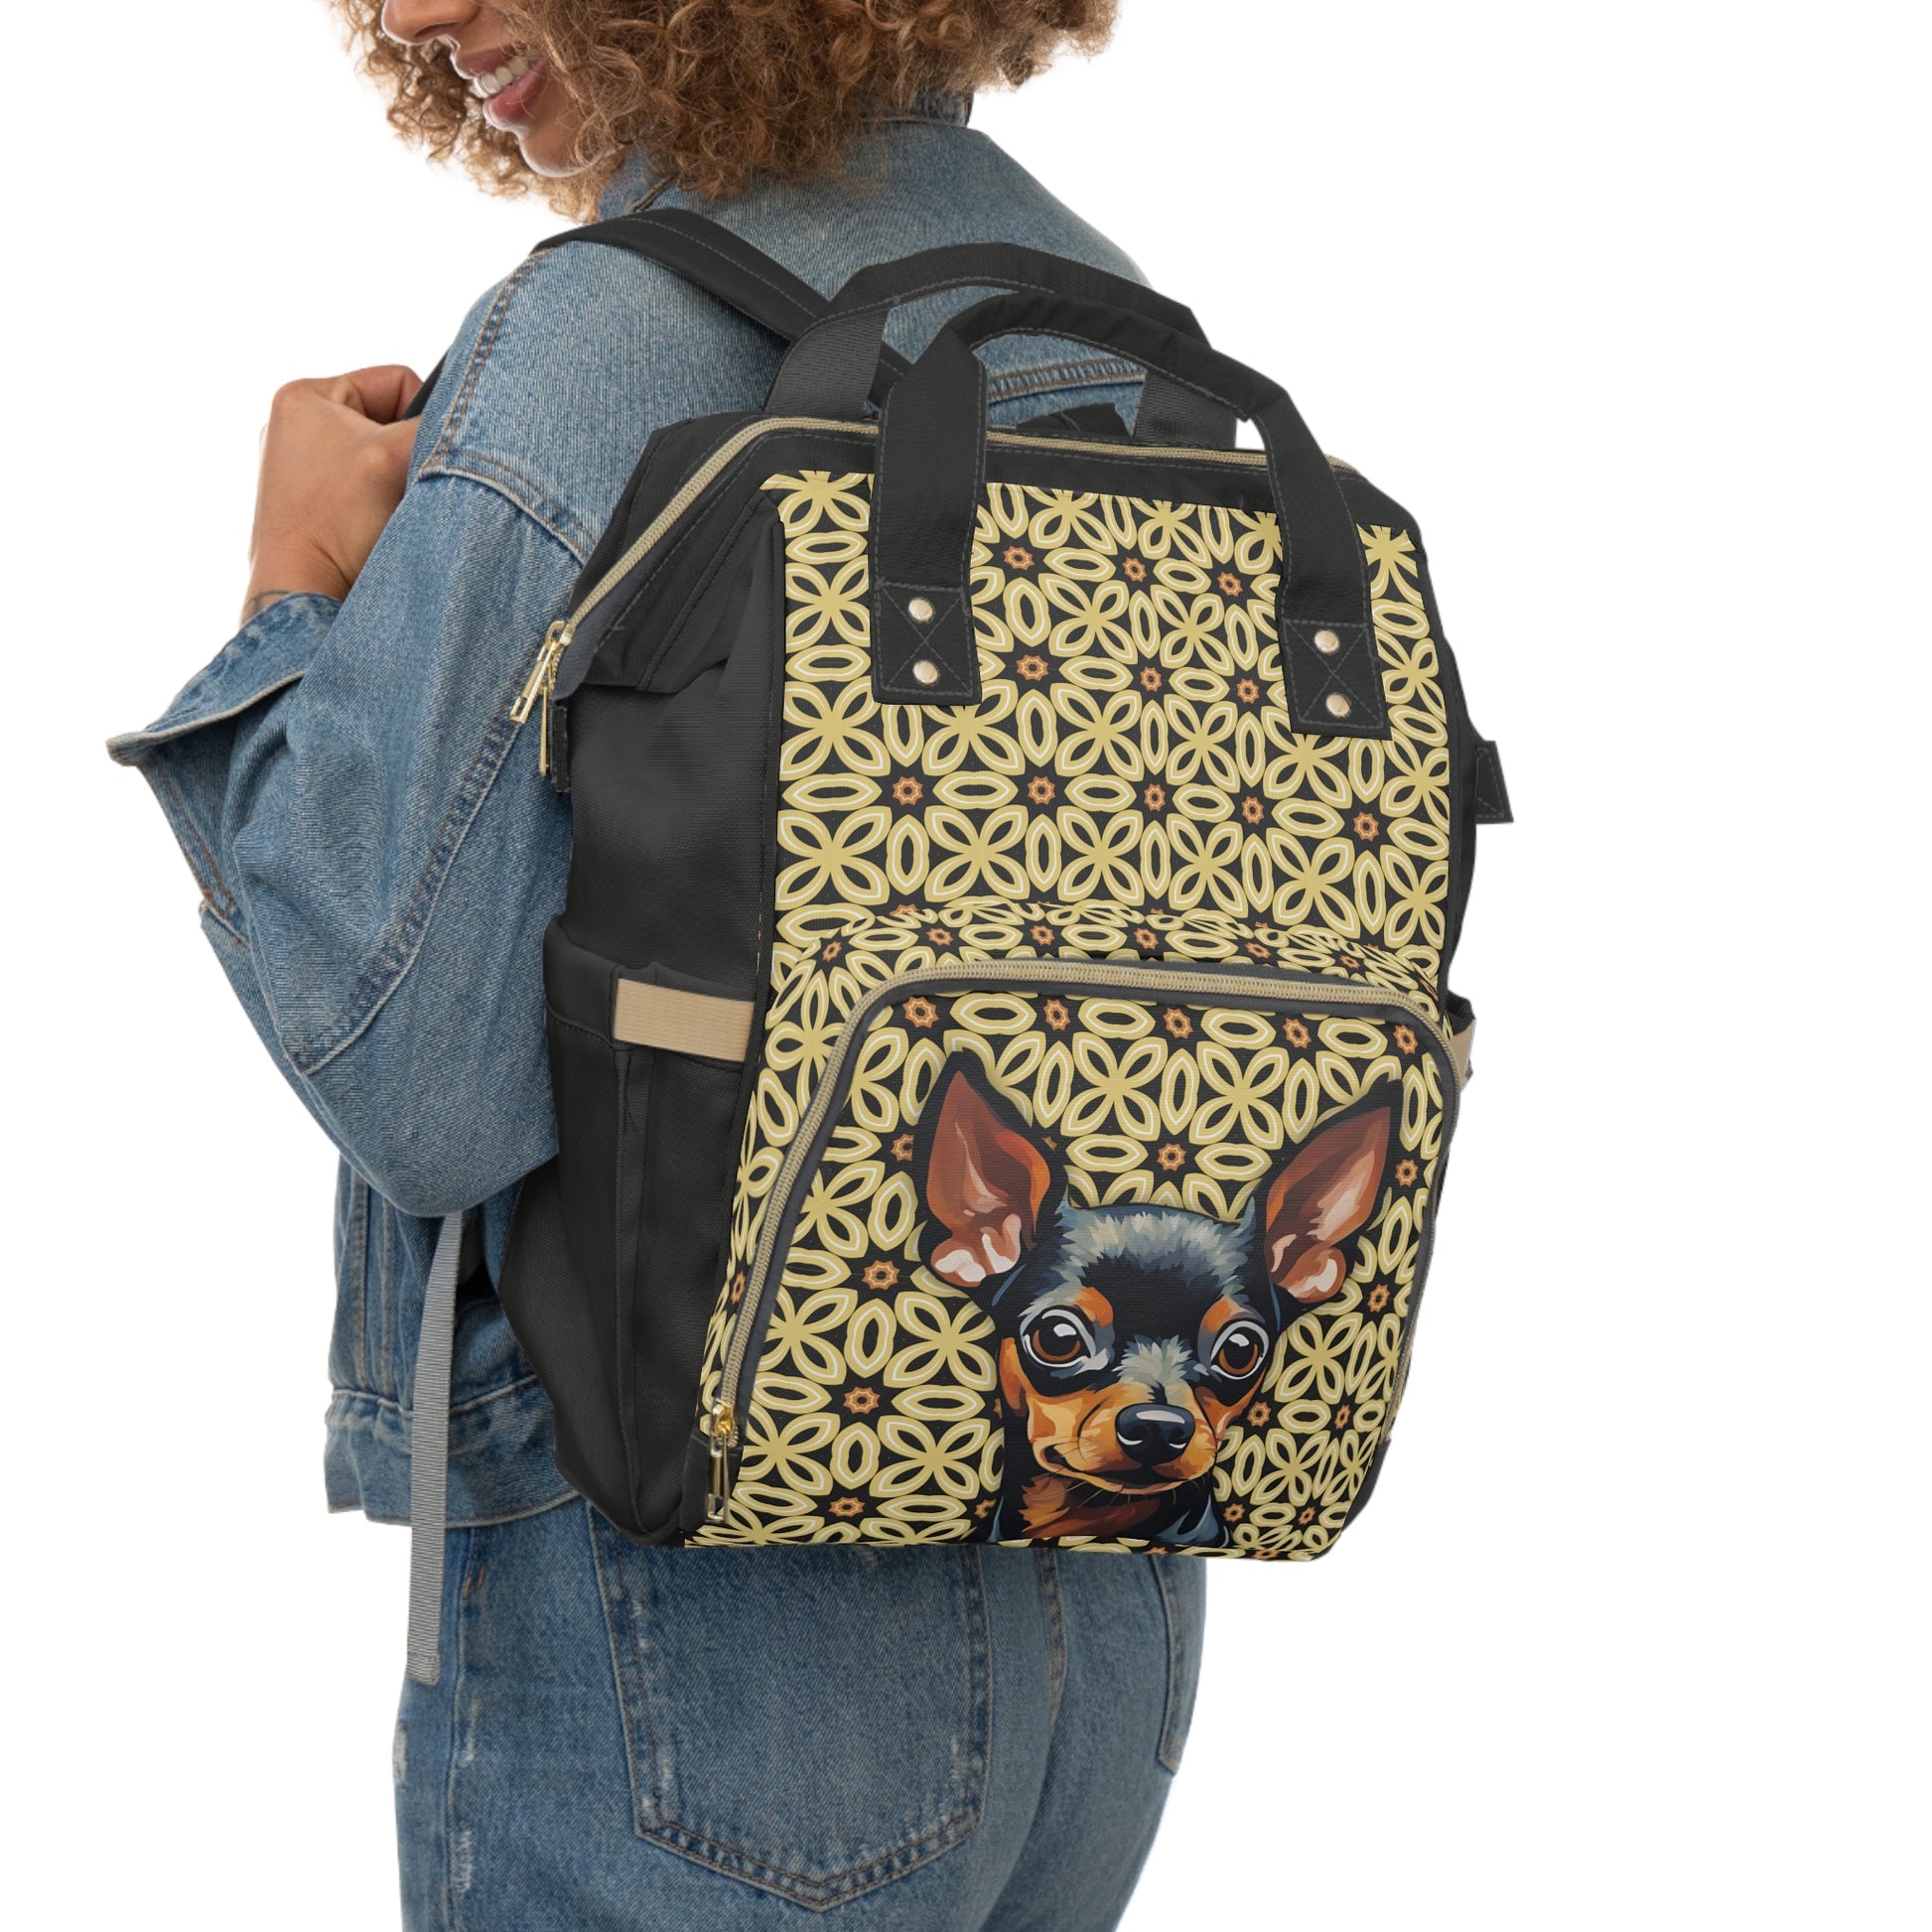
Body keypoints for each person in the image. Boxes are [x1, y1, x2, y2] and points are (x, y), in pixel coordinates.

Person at [108, 3, 1204, 1927]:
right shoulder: (1102, 310)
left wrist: (292, 597)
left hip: (693, 1625)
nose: (414, 13)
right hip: (1091, 1571)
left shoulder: (601, 342)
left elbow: (413, 1081)